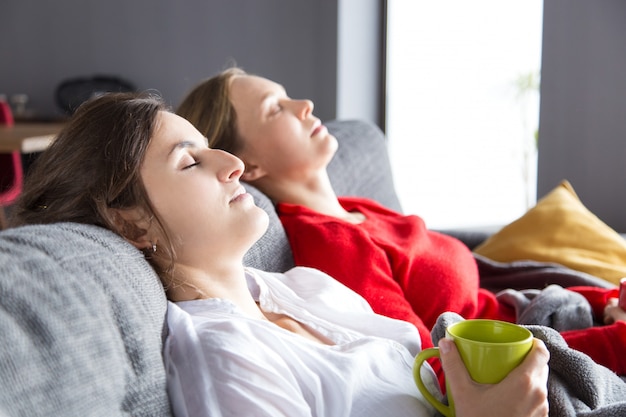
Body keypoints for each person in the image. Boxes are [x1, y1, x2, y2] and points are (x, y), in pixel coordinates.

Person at [10, 92, 549, 417]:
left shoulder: (304, 287)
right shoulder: (226, 358)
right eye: (189, 162)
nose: (231, 163)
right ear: (130, 220)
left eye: (210, 146)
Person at [176, 67, 626, 378]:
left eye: (289, 95)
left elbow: (486, 300)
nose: (306, 105)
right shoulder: (329, 245)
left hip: (547, 318)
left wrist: (605, 298)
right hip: (525, 358)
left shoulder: (358, 208)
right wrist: (615, 339)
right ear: (246, 165)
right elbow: (434, 365)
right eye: (276, 109)